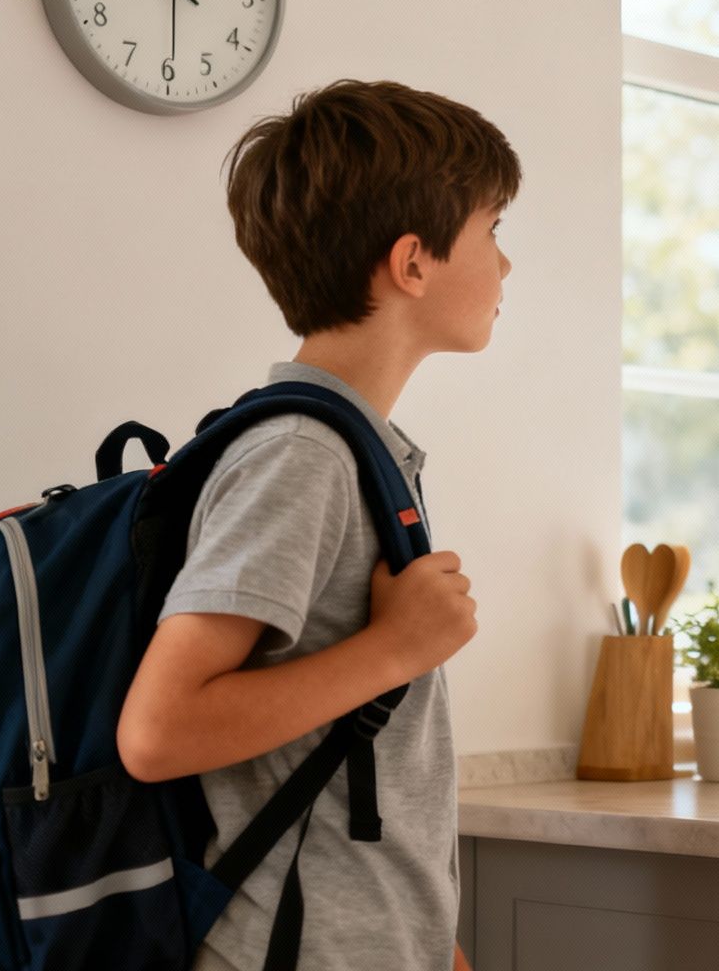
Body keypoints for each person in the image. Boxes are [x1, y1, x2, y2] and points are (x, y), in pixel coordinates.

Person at [117, 79, 518, 969]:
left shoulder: (353, 449)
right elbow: (158, 731)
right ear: (413, 263)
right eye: (494, 231)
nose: (506, 263)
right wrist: (397, 648)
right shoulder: (302, 455)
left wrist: (425, 939)